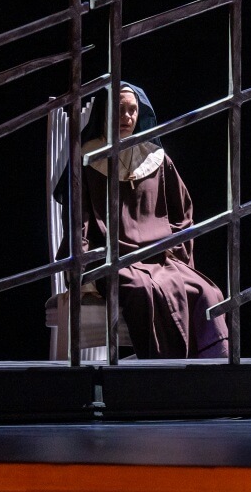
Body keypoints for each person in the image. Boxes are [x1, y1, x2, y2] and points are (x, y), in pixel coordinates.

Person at [59, 82, 229, 359]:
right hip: (112, 260)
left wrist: (176, 251)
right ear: (104, 114)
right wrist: (84, 274)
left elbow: (182, 212)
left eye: (132, 111)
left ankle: (205, 376)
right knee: (142, 291)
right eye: (120, 111)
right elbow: (79, 221)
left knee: (208, 291)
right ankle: (158, 377)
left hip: (159, 256)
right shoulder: (87, 160)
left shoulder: (156, 159)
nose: (126, 117)